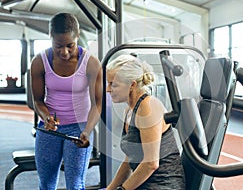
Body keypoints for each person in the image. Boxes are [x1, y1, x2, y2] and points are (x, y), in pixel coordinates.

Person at [30, 12, 102, 190]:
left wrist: (87, 130)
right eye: (58, 46)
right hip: (49, 129)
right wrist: (46, 117)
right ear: (50, 37)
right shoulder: (40, 61)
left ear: (78, 37)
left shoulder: (91, 62)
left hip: (79, 127)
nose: (65, 52)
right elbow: (38, 100)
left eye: (70, 45)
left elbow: (98, 103)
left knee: (75, 183)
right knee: (46, 183)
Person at [105, 55, 185, 190]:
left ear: (132, 85)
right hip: (144, 184)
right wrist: (110, 189)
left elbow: (151, 164)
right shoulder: (129, 110)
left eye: (113, 84)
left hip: (164, 186)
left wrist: (122, 189)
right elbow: (129, 160)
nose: (108, 89)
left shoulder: (148, 107)